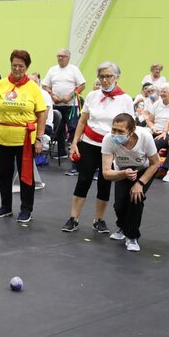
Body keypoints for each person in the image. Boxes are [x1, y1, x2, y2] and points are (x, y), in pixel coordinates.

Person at [63, 61, 134, 234]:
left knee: (105, 183)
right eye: (101, 76)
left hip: (111, 146)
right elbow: (82, 121)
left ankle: (99, 220)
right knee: (83, 180)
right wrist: (74, 143)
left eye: (109, 76)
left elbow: (130, 126)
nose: (105, 80)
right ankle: (73, 218)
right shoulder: (92, 95)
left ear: (116, 77)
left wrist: (125, 149)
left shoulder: (125, 99)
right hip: (89, 143)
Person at [0, 50, 47, 223]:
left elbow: (42, 114)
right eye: (14, 65)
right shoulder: (0, 85)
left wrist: (40, 139)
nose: (17, 69)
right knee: (4, 175)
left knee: (26, 176)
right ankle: (5, 207)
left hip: (25, 141)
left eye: (21, 66)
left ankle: (26, 209)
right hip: (3, 138)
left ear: (27, 67)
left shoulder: (33, 88)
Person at [102, 113, 161, 251]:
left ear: (131, 130)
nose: (116, 134)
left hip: (143, 169)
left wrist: (140, 184)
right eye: (114, 130)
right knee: (119, 205)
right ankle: (123, 227)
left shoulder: (145, 136)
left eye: (121, 131)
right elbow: (106, 173)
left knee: (135, 200)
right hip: (122, 170)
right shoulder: (108, 139)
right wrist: (123, 173)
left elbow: (155, 163)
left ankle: (132, 236)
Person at [44, 49, 85, 169]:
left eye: (63, 56)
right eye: (58, 56)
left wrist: (70, 96)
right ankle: (61, 152)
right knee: (59, 130)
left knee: (73, 128)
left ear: (68, 58)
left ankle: (75, 154)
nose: (60, 58)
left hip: (71, 105)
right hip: (56, 104)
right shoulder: (52, 70)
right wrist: (52, 95)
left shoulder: (74, 69)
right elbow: (45, 85)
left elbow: (82, 85)